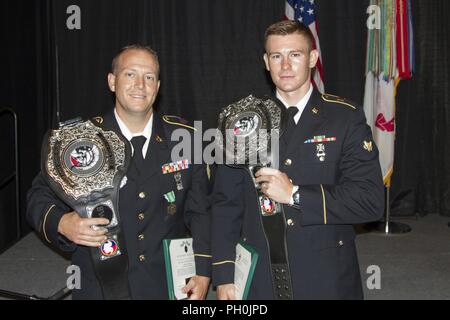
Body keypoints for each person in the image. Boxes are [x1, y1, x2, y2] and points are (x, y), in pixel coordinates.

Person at [211, 20, 385, 300]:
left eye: (295, 55)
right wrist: (223, 274)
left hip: (326, 273)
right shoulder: (242, 121)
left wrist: (294, 195)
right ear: (266, 62)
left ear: (312, 58)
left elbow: (370, 202)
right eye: (277, 56)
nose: (285, 66)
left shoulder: (344, 118)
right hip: (260, 275)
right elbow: (225, 204)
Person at [26, 45, 211, 299]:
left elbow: (200, 211)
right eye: (130, 74)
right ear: (112, 82)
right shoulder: (80, 140)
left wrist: (202, 271)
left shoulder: (185, 139)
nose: (140, 84)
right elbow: (38, 197)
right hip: (100, 283)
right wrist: (62, 223)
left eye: (149, 77)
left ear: (157, 87)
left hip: (167, 285)